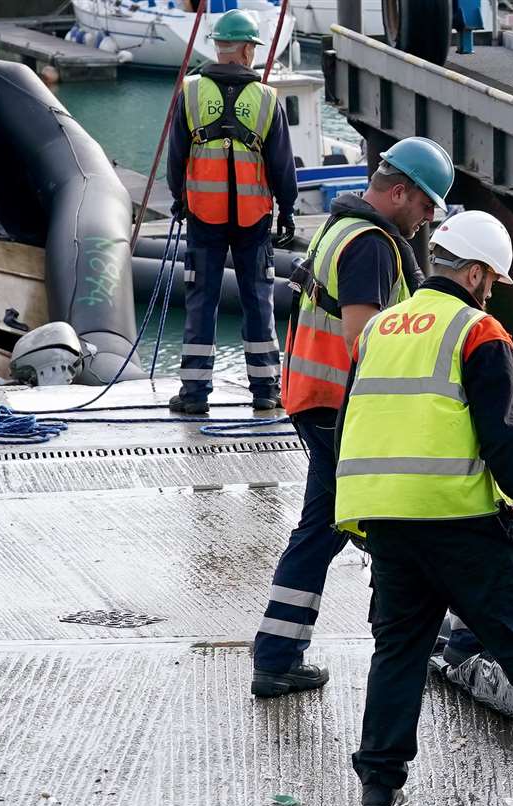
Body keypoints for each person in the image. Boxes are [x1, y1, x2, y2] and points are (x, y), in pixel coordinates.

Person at [334, 210, 513, 806]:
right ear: (477, 272)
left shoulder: (381, 329)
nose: (491, 291)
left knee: (398, 650)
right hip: (460, 518)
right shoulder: (478, 333)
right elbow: (501, 437)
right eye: (492, 280)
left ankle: (379, 784)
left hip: (387, 521)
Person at [248, 136, 454, 697]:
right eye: (426, 203)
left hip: (315, 398)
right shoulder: (370, 245)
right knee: (393, 525)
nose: (429, 217)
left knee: (327, 527)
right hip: (343, 407)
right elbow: (365, 338)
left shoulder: (338, 229)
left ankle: (278, 654)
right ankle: (441, 636)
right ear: (400, 191)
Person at [165, 9, 297, 415]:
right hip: (253, 218)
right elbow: (281, 164)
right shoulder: (267, 99)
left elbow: (177, 156)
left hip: (203, 214)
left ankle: (194, 394)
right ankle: (265, 391)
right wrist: (287, 210)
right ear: (242, 50)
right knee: (258, 298)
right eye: (252, 48)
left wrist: (179, 199)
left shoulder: (188, 93)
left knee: (201, 299)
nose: (254, 54)